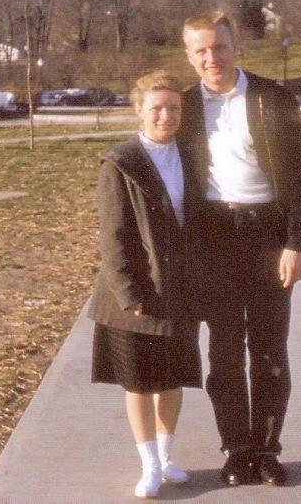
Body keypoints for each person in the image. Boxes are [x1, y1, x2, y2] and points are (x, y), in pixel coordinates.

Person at [177, 11, 301, 487]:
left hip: (267, 237)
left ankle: (268, 450)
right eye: (201, 50)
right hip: (214, 238)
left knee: (269, 350)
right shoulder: (183, 107)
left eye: (219, 47)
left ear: (235, 48)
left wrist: (296, 244)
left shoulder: (271, 98)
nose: (211, 58)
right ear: (189, 55)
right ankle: (236, 450)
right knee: (223, 352)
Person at [88, 70, 202, 499]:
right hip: (132, 295)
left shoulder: (192, 155)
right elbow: (112, 237)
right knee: (138, 383)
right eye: (156, 107)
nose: (165, 115)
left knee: (172, 379)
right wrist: (129, 295)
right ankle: (149, 465)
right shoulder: (120, 162)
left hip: (180, 288)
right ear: (139, 110)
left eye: (173, 107)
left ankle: (168, 457)